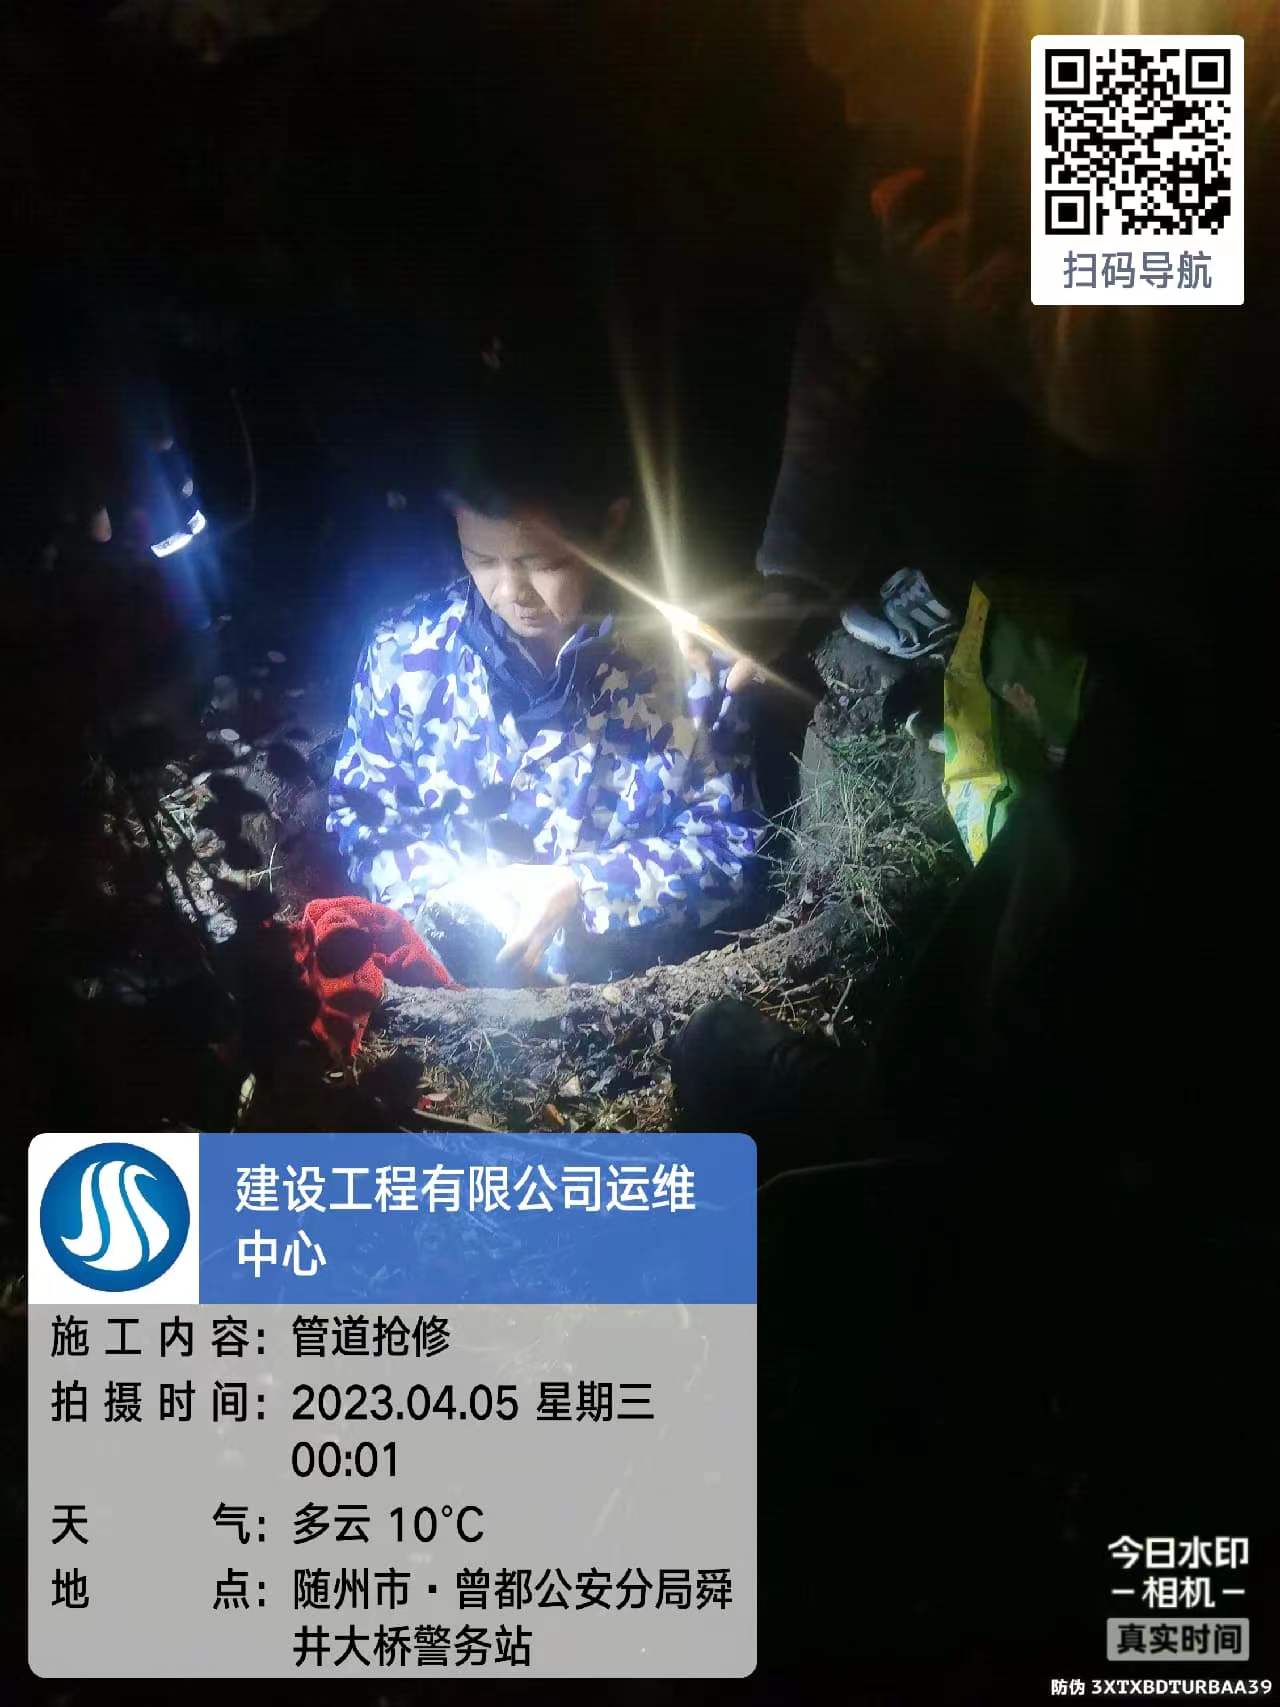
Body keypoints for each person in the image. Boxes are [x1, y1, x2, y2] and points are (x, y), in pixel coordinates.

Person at [327, 330, 764, 986]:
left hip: (623, 999)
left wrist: (584, 888)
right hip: (449, 994)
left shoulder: (688, 670)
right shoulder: (404, 656)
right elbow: (362, 816)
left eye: (542, 562)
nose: (510, 591)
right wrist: (450, 902)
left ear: (608, 524)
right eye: (480, 557)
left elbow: (731, 842)